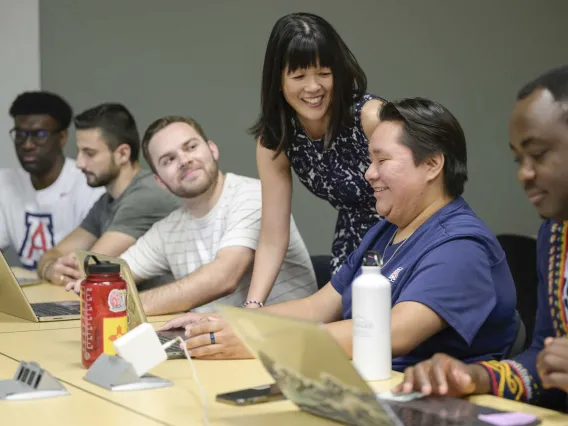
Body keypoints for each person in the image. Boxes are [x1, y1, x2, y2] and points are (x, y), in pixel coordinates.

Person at [158, 98, 517, 369]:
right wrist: (227, 322)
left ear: (432, 164)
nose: (369, 174)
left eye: (382, 161)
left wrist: (259, 338)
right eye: (369, 161)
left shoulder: (461, 245)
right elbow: (318, 306)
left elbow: (394, 333)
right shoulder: (385, 232)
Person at [393, 65, 568, 411]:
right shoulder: (556, 233)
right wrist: (474, 377)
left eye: (539, 154)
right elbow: (544, 358)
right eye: (518, 158)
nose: (524, 174)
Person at [66, 116, 317, 315]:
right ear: (160, 182)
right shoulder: (168, 230)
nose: (184, 160)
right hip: (217, 349)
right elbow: (116, 274)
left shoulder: (253, 196)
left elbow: (224, 277)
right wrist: (84, 281)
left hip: (283, 350)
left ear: (212, 150)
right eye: (168, 160)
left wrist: (120, 303)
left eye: (191, 147)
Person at [244, 12, 386, 308]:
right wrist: (253, 306)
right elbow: (272, 236)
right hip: (352, 246)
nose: (313, 88)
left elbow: (423, 195)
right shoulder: (276, 138)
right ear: (278, 81)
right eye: (298, 76)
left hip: (406, 237)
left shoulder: (370, 117)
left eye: (324, 73)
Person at [37, 103, 182, 286]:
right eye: (79, 152)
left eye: (89, 153)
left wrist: (56, 269)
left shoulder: (145, 197)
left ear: (122, 154)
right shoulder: (106, 201)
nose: (79, 163)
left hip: (171, 311)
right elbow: (54, 254)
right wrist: (50, 268)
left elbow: (87, 270)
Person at [0, 91, 104, 270]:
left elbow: (97, 265)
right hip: (29, 293)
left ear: (62, 137)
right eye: (20, 134)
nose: (27, 144)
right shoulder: (6, 181)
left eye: (39, 134)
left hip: (72, 291)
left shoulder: (89, 185)